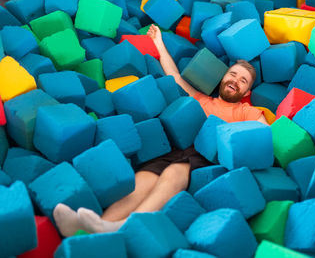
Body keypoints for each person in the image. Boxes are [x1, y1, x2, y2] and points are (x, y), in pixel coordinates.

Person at [53, 24, 269, 237]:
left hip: (206, 156)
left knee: (175, 172)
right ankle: (94, 227)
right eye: (233, 75)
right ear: (223, 77)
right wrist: (159, 42)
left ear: (247, 91)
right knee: (143, 180)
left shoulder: (246, 112)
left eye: (243, 81)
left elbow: (265, 135)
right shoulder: (201, 100)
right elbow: (174, 77)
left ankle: (123, 228)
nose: (235, 81)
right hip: (177, 146)